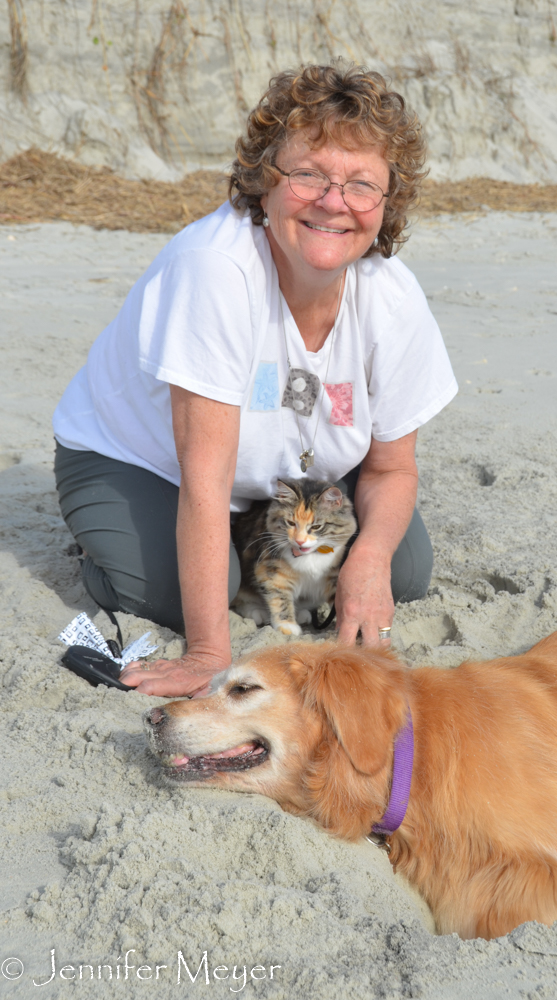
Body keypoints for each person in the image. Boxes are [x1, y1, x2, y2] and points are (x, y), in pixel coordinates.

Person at [53, 63, 457, 698]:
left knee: (401, 573)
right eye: (308, 176)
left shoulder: (394, 297)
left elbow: (390, 470)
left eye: (361, 185)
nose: (334, 201)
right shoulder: (214, 270)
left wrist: (370, 561)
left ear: (387, 203)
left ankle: (257, 554)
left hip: (283, 484)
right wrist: (207, 652)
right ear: (263, 182)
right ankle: (105, 549)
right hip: (144, 464)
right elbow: (206, 481)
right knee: (164, 593)